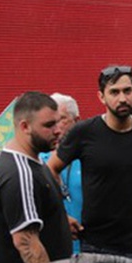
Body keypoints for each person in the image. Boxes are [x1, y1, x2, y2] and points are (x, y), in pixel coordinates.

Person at [51, 66, 132, 263]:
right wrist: (61, 215)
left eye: (127, 91)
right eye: (114, 92)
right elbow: (50, 169)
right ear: (101, 97)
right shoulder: (84, 132)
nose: (122, 98)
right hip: (96, 247)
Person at [0, 92, 72, 263]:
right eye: (49, 126)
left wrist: (59, 222)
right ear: (25, 126)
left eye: (58, 122)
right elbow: (25, 242)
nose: (58, 131)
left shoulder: (34, 163)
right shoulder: (19, 173)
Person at [45, 93, 84, 254]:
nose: (56, 127)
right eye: (51, 122)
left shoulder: (89, 156)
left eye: (61, 119)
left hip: (88, 247)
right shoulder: (40, 157)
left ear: (76, 120)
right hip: (54, 248)